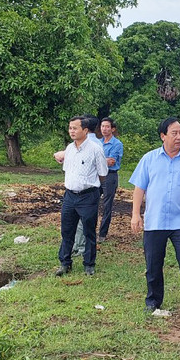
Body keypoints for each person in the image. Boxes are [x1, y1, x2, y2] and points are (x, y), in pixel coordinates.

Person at [130, 118, 180, 320]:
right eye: (174, 133)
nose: (179, 137)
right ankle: (153, 301)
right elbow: (139, 188)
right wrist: (135, 215)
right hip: (155, 220)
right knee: (153, 263)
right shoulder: (149, 159)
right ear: (163, 136)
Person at [55, 115, 108, 277]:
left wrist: (92, 188)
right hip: (70, 196)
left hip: (88, 196)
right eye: (70, 128)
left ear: (85, 130)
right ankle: (65, 263)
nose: (72, 131)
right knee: (67, 230)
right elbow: (68, 171)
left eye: (75, 128)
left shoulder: (95, 149)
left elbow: (103, 173)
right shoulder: (69, 149)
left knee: (89, 231)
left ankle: (89, 264)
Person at [98, 117, 123, 244]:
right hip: (97, 175)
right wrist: (102, 161)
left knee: (107, 205)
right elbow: (104, 161)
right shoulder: (98, 142)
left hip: (110, 176)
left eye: (107, 126)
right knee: (92, 201)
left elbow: (111, 162)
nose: (104, 129)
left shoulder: (117, 144)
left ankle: (102, 233)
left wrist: (96, 161)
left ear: (112, 129)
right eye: (102, 126)